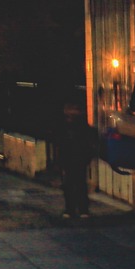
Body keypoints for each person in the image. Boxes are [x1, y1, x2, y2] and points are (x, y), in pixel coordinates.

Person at [57, 91, 93, 220]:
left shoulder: (72, 126)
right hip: (74, 157)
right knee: (75, 184)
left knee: (74, 184)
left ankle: (73, 209)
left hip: (75, 157)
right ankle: (78, 209)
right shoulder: (75, 126)